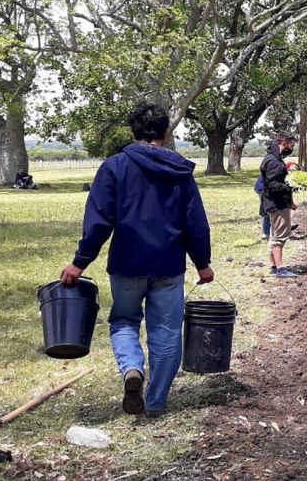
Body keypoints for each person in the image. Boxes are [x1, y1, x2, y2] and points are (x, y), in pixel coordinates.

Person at [59, 101, 213, 418]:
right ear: (166, 132)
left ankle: (132, 370)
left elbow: (98, 221)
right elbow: (194, 222)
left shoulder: (114, 167)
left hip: (127, 265)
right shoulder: (180, 172)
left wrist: (80, 262)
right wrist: (202, 263)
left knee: (125, 321)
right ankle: (155, 403)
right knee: (167, 332)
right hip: (169, 267)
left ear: (133, 131)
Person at [260, 131, 299, 278]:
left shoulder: (272, 158)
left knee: (274, 235)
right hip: (277, 204)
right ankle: (280, 269)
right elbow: (273, 185)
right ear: (284, 143)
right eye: (292, 145)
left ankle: (274, 265)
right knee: (280, 236)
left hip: (275, 203)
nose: (292, 148)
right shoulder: (274, 162)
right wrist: (290, 186)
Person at [254, 176, 269, 240]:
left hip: (267, 190)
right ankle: (265, 233)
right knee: (266, 213)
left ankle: (268, 232)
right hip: (263, 190)